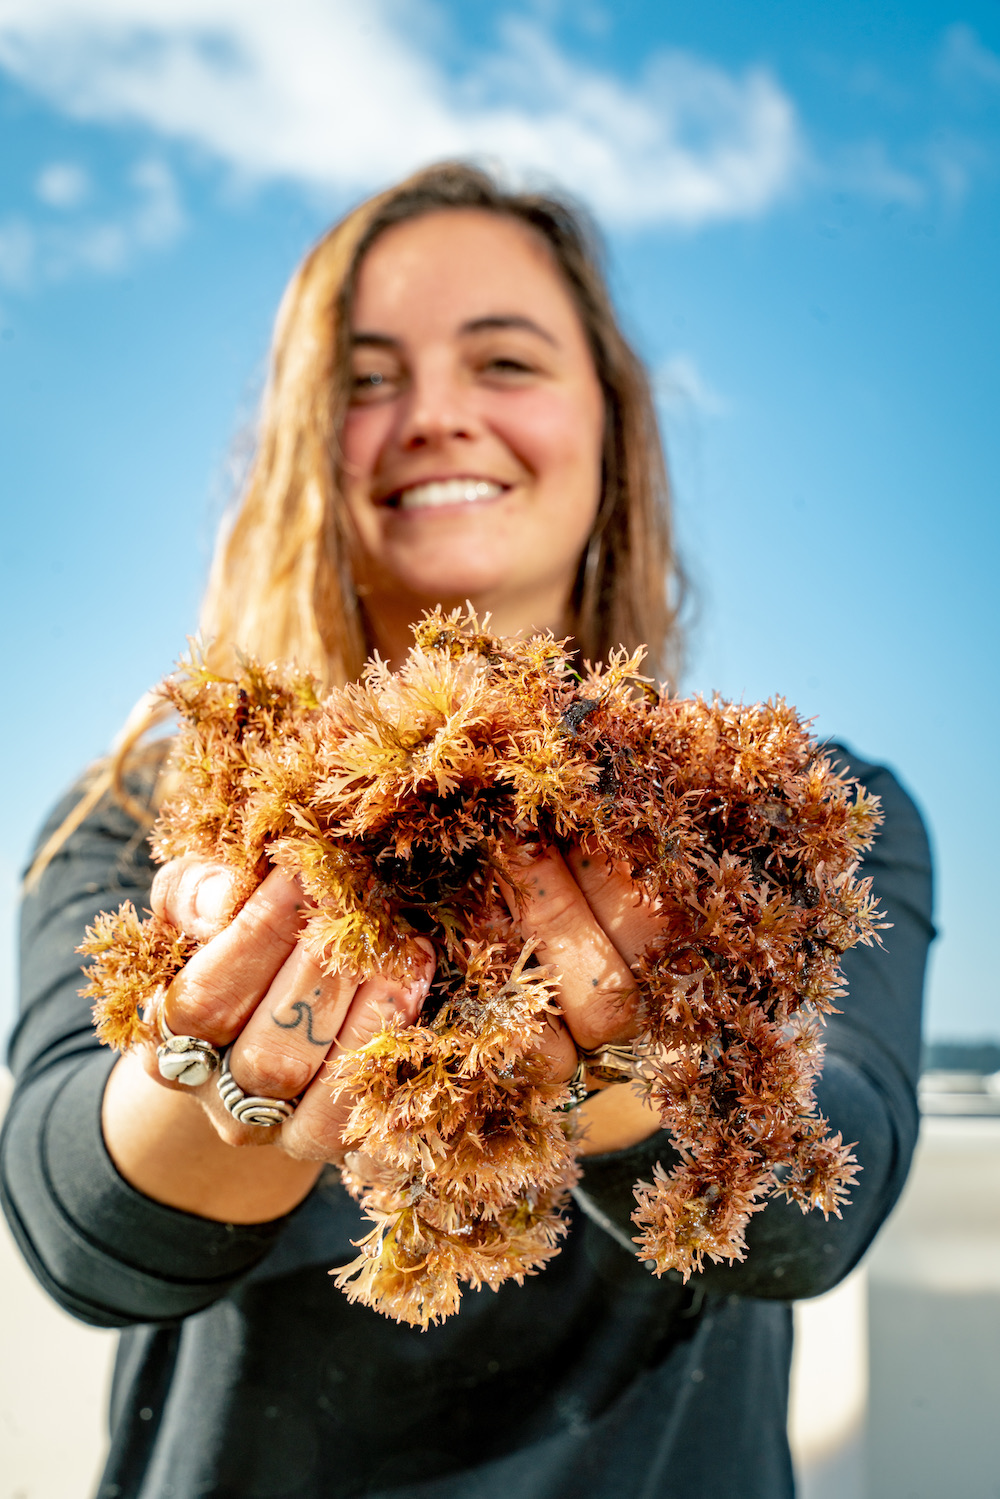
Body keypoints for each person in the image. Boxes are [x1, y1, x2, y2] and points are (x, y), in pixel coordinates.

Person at [1, 162, 933, 1499]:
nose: (434, 416)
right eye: (365, 381)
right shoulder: (150, 816)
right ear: (304, 450)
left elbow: (801, 1204)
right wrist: (220, 1048)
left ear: (613, 423)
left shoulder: (800, 817)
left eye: (503, 359)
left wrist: (617, 1050)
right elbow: (79, 1226)